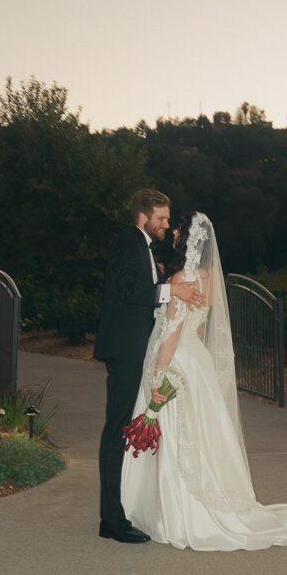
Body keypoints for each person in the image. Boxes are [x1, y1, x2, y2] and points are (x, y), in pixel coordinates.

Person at [121, 211, 287, 551]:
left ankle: (178, 511)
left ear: (186, 237)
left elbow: (172, 333)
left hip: (179, 361)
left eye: (177, 230)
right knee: (205, 434)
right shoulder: (206, 275)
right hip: (199, 361)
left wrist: (157, 374)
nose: (174, 234)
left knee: (179, 434)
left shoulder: (183, 277)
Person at [94, 189, 204, 544]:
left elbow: (137, 286)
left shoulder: (143, 247)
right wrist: (172, 291)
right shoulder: (129, 241)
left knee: (122, 428)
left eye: (168, 219)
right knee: (117, 430)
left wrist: (158, 281)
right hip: (125, 351)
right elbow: (128, 290)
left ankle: (118, 511)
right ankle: (111, 521)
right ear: (143, 216)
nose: (166, 224)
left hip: (131, 350)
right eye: (161, 218)